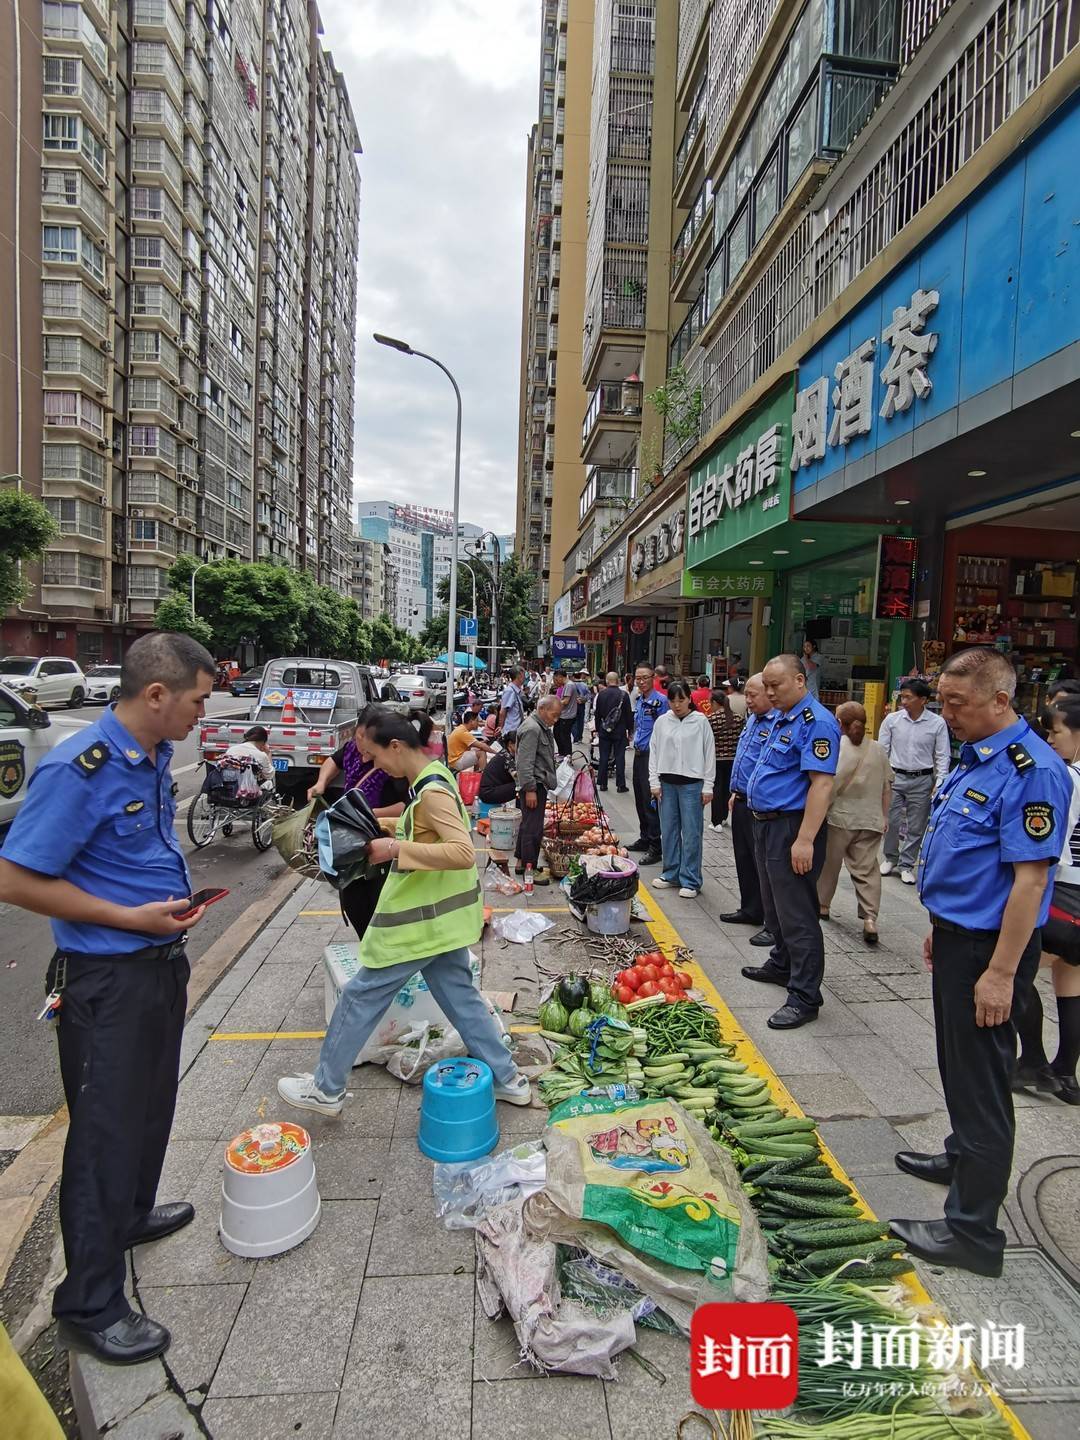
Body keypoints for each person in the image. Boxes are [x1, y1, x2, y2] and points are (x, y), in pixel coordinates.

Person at [0, 632, 217, 1365]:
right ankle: (88, 1304)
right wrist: (131, 918)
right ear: (156, 695)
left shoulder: (152, 756)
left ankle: (129, 1215)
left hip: (160, 964)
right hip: (108, 981)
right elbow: (16, 879)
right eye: (197, 701)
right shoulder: (78, 768)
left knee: (153, 1106)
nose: (201, 716)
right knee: (103, 1135)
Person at [889, 647, 1071, 1277]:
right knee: (958, 1066)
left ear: (1000, 700)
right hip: (961, 937)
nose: (945, 715)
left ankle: (972, 1232)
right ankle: (959, 1155)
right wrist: (944, 924)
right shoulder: (979, 756)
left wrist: (998, 971)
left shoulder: (1032, 772)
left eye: (955, 704)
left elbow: (1028, 884)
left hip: (991, 952)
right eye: (941, 702)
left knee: (984, 1086)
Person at [278, 711, 531, 1115]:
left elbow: (463, 852)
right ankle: (509, 1080)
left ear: (395, 746)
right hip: (441, 925)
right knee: (463, 1000)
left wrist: (395, 849)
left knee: (359, 997)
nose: (377, 766)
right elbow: (424, 828)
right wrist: (384, 824)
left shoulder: (430, 790)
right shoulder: (433, 776)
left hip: (416, 927)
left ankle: (325, 1089)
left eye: (377, 757)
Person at [741, 654, 840, 1030]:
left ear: (800, 681)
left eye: (775, 685)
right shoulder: (782, 717)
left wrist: (805, 839)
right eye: (765, 685)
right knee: (774, 904)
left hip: (792, 828)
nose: (768, 692)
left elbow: (822, 784)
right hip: (766, 824)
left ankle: (805, 995)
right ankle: (782, 963)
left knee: (798, 913)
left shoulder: (817, 724)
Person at [1011, 698, 1080, 1104]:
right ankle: (1066, 1073)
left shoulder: (1067, 777)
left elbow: (1051, 843)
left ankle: (1033, 1062)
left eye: (1055, 732)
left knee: (1016, 970)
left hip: (1064, 893)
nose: (1050, 740)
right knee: (1070, 981)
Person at [816, 702, 892, 946]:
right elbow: (887, 787)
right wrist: (884, 816)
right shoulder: (878, 749)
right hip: (870, 819)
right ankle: (870, 918)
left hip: (841, 817)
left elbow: (828, 787)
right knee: (867, 869)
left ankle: (823, 905)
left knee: (830, 864)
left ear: (840, 723)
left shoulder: (838, 747)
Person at [879, 677, 951, 883]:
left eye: (909, 697)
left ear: (923, 700)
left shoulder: (937, 723)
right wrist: (882, 777)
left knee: (916, 825)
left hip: (922, 779)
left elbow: (942, 755)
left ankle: (907, 864)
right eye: (902, 697)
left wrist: (940, 782)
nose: (904, 701)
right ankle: (890, 857)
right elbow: (883, 750)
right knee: (891, 821)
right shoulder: (892, 720)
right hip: (895, 776)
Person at [719, 674, 773, 943]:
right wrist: (734, 792)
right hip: (741, 798)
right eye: (747, 695)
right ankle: (751, 908)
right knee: (743, 856)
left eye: (753, 695)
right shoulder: (753, 720)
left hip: (762, 805)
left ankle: (772, 924)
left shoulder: (777, 723)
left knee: (764, 863)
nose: (747, 700)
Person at [648, 681, 715, 898]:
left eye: (681, 700)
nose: (677, 705)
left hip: (692, 785)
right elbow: (654, 752)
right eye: (672, 700)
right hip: (666, 784)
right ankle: (671, 873)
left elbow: (709, 755)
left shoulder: (701, 721)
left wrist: (708, 786)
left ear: (689, 699)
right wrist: (654, 782)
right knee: (668, 831)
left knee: (692, 832)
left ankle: (691, 879)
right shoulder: (662, 721)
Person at [514, 694, 561, 884]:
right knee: (532, 829)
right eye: (554, 715)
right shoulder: (533, 729)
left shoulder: (540, 727)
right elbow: (524, 763)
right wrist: (530, 789)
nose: (555, 720)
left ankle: (520, 862)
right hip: (534, 785)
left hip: (538, 783)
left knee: (528, 824)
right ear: (542, 709)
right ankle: (529, 868)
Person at [628, 665, 669, 867]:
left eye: (645, 678)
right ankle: (644, 837)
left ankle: (655, 846)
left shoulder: (661, 702)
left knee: (650, 801)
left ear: (653, 678)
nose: (641, 681)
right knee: (639, 799)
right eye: (638, 678)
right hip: (638, 754)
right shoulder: (640, 700)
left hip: (652, 757)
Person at [706, 688, 742, 830]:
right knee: (728, 788)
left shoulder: (711, 719)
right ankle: (724, 817)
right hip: (732, 759)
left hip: (716, 759)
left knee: (717, 789)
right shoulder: (738, 718)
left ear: (715, 702)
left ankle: (716, 822)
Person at [594, 671, 632, 792]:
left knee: (604, 756)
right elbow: (628, 715)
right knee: (620, 757)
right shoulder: (624, 695)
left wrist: (597, 729)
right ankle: (621, 785)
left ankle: (602, 783)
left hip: (604, 730)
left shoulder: (601, 694)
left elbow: (597, 714)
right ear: (618, 681)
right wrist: (630, 730)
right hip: (620, 731)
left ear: (606, 680)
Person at [222, 724, 275, 790]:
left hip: (228, 787)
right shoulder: (260, 755)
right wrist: (268, 753)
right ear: (263, 742)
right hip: (250, 791)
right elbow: (269, 775)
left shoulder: (231, 750)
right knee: (269, 783)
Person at [478, 731, 518, 807]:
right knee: (521, 786)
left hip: (491, 790)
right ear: (510, 744)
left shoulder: (506, 754)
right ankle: (522, 812)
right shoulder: (506, 757)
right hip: (488, 793)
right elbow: (517, 777)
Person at [554, 672, 578, 756]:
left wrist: (554, 704)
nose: (556, 682)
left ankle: (567, 755)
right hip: (564, 714)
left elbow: (566, 701)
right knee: (558, 733)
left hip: (567, 715)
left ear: (560, 677)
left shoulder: (569, 685)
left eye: (556, 679)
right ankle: (563, 753)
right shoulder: (567, 685)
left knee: (565, 736)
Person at [497, 666, 526, 735]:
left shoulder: (516, 691)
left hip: (517, 730)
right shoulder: (510, 691)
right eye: (523, 675)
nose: (525, 678)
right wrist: (501, 727)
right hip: (511, 730)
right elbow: (503, 711)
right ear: (519, 676)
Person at [571, 670, 591, 744]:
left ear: (573, 677)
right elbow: (589, 696)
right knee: (580, 721)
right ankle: (579, 737)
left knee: (573, 721)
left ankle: (575, 738)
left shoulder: (571, 684)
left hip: (573, 705)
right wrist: (583, 700)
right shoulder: (584, 685)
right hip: (581, 705)